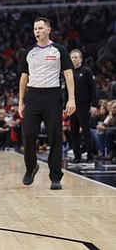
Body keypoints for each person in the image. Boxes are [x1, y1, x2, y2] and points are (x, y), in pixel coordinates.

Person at [18, 17, 76, 190]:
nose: (37, 31)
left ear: (48, 30)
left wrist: (71, 98)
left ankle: (55, 176)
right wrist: (21, 101)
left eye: (40, 28)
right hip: (33, 96)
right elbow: (23, 77)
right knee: (28, 134)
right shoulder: (28, 52)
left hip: (53, 95)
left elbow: (68, 74)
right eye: (35, 28)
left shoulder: (59, 50)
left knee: (54, 137)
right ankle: (31, 167)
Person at [68, 49, 98, 163]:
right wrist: (65, 106)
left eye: (76, 57)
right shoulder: (69, 72)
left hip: (84, 106)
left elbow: (93, 89)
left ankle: (90, 156)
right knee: (73, 132)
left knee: (86, 131)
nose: (74, 59)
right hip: (72, 106)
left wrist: (94, 105)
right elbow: (66, 91)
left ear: (80, 59)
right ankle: (77, 156)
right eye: (72, 57)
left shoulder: (86, 71)